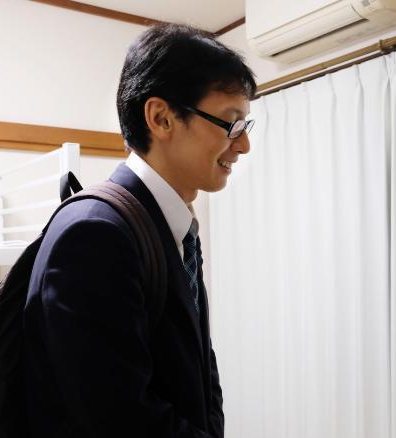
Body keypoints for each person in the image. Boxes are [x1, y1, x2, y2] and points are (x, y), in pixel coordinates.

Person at [24, 23, 256, 437]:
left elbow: (200, 364)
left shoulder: (170, 225)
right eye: (230, 124)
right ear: (161, 118)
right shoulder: (95, 234)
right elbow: (118, 419)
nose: (243, 145)